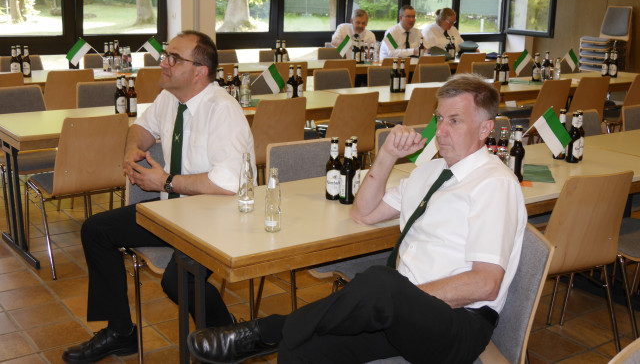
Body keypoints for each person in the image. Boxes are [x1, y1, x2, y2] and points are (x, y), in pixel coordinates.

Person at [186, 74, 527, 364]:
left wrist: (403, 299)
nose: (441, 131)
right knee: (300, 348)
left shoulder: (494, 184)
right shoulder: (429, 171)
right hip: (401, 314)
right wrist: (387, 155)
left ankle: (265, 331)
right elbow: (363, 213)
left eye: (455, 121)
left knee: (381, 283)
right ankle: (280, 335)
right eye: (439, 119)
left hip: (457, 326)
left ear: (485, 129)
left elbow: (485, 283)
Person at [62, 30, 257, 364]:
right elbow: (142, 128)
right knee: (96, 230)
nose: (163, 63)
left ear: (199, 72)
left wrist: (166, 181)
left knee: (178, 281)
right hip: (177, 213)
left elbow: (230, 183)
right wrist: (133, 149)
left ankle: (229, 338)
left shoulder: (222, 110)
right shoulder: (171, 97)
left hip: (218, 219)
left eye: (174, 58)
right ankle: (121, 332)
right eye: (166, 55)